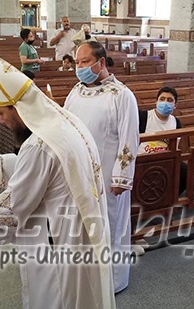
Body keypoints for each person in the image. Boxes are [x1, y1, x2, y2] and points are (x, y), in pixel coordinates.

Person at [0, 52, 116, 309]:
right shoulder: (66, 122)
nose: (1, 121)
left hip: (57, 247)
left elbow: (12, 210)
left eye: (2, 114)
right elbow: (53, 174)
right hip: (85, 235)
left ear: (19, 108)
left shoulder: (39, 145)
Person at [64, 41, 139, 293]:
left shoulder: (121, 95)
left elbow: (129, 140)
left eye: (85, 62)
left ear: (102, 63)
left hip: (108, 176)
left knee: (110, 226)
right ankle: (85, 276)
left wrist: (121, 177)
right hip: (78, 173)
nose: (80, 67)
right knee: (82, 225)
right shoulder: (76, 91)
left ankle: (112, 280)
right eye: (77, 62)